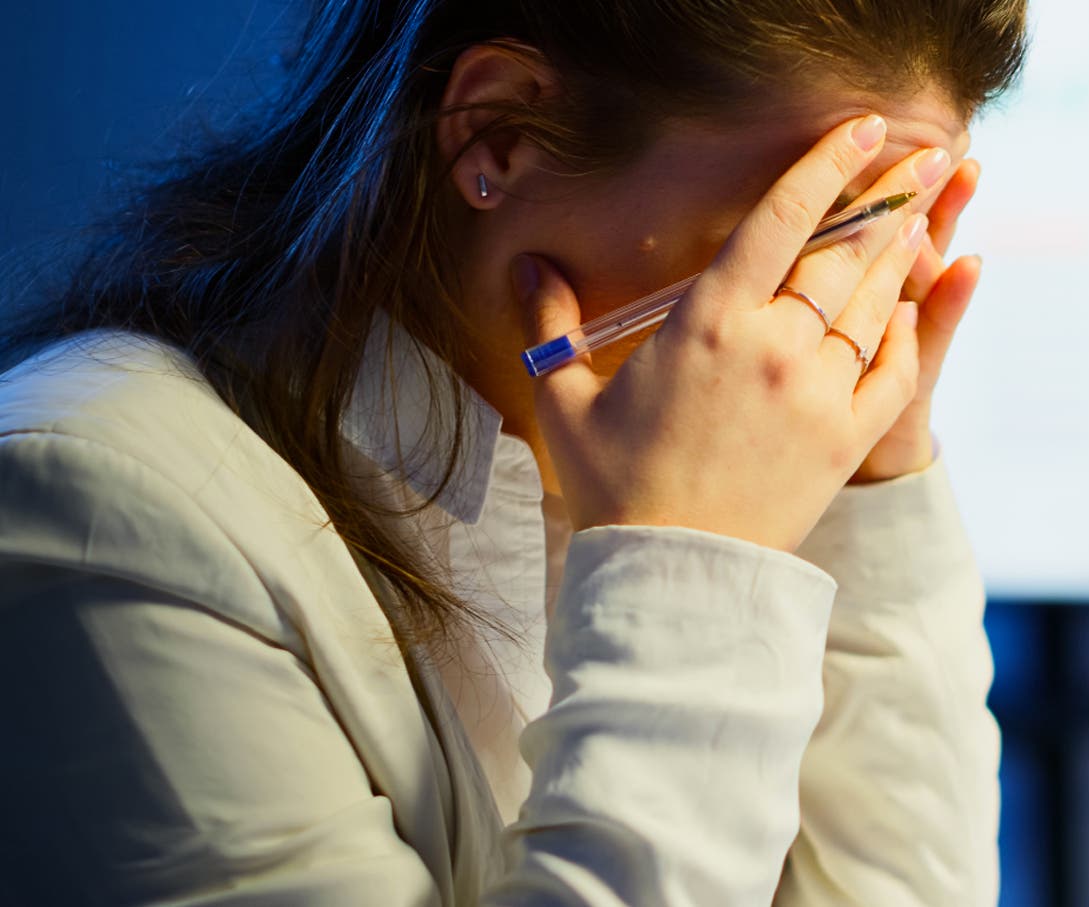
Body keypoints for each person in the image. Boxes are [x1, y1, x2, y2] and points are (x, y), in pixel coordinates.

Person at [0, 0, 1025, 903]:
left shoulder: (627, 471)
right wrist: (690, 566)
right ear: (499, 132)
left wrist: (870, 482)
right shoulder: (104, 514)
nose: (840, 311)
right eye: (800, 234)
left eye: (889, 239)